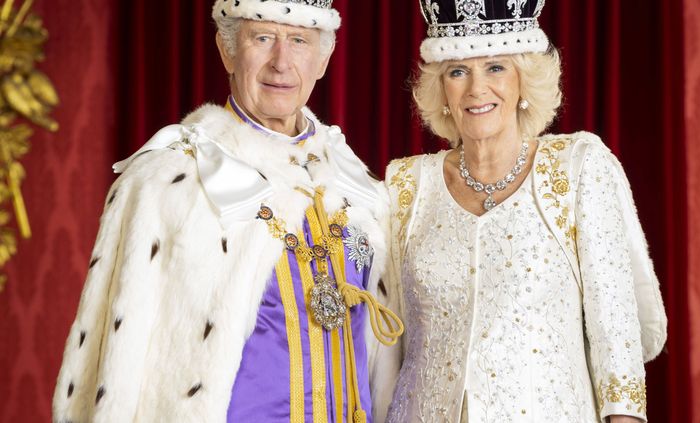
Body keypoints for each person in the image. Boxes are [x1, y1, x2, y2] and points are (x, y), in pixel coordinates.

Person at [51, 1, 402, 422]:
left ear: (323, 58)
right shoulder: (169, 182)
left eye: (298, 41)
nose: (281, 63)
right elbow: (117, 369)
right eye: (263, 38)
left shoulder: (358, 188)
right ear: (227, 49)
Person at [380, 1, 667, 422]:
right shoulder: (404, 186)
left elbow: (617, 334)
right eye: (458, 71)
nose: (477, 89)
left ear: (523, 82)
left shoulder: (578, 168)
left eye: (496, 67)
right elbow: (384, 343)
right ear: (442, 89)